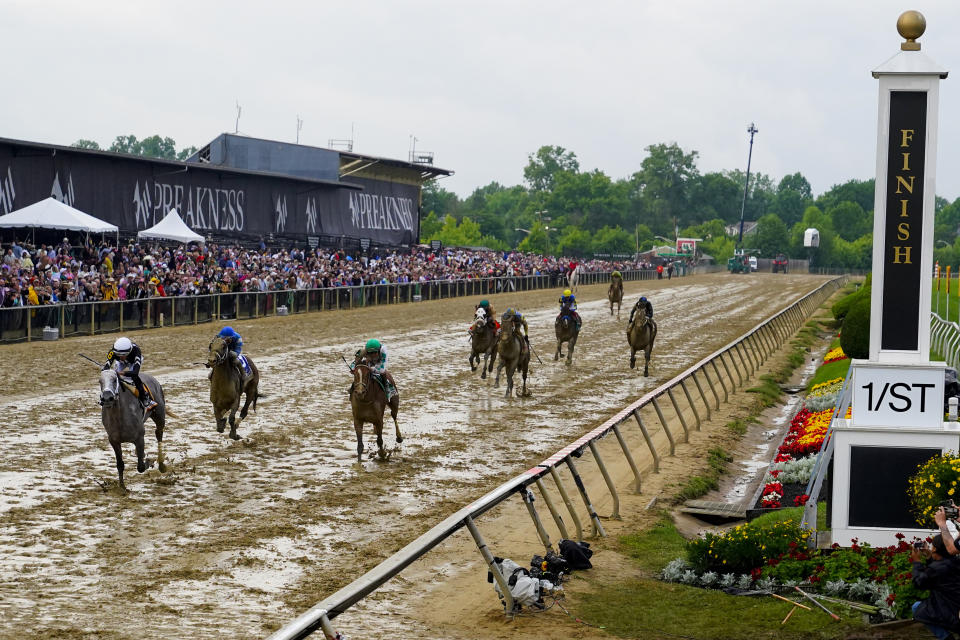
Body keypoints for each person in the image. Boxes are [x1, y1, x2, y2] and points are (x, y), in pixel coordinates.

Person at [911, 534, 960, 640]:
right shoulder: (955, 561)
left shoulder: (937, 568)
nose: (931, 549)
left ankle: (947, 638)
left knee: (916, 607)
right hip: (955, 608)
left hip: (952, 615)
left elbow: (919, 583)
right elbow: (940, 572)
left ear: (936, 549)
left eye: (932, 546)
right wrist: (929, 557)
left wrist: (917, 562)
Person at [103, 336, 157, 411]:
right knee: (113, 377)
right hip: (121, 363)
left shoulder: (136, 351)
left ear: (129, 352)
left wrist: (122, 373)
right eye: (119, 355)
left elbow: (135, 373)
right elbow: (106, 368)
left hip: (133, 362)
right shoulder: (112, 352)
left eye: (123, 355)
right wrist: (107, 371)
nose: (121, 357)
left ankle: (144, 397)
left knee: (134, 378)